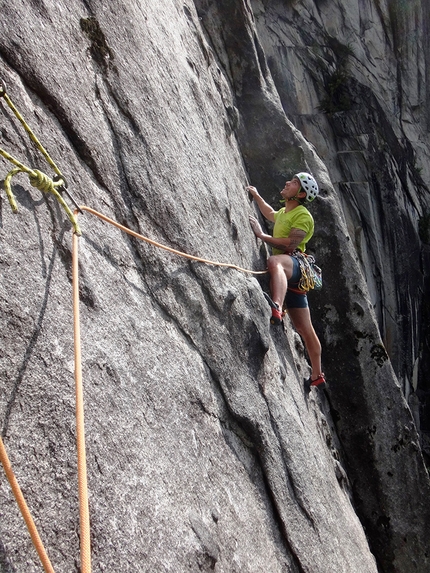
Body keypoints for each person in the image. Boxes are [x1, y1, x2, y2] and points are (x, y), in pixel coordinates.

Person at [247, 173, 325, 389]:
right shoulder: (285, 211)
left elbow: (290, 243)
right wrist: (256, 195)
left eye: (293, 182)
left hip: (296, 266)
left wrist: (262, 236)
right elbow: (272, 213)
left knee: (275, 262)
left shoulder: (304, 216)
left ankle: (277, 307)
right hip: (291, 279)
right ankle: (317, 375)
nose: (287, 183)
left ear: (300, 193)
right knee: (303, 327)